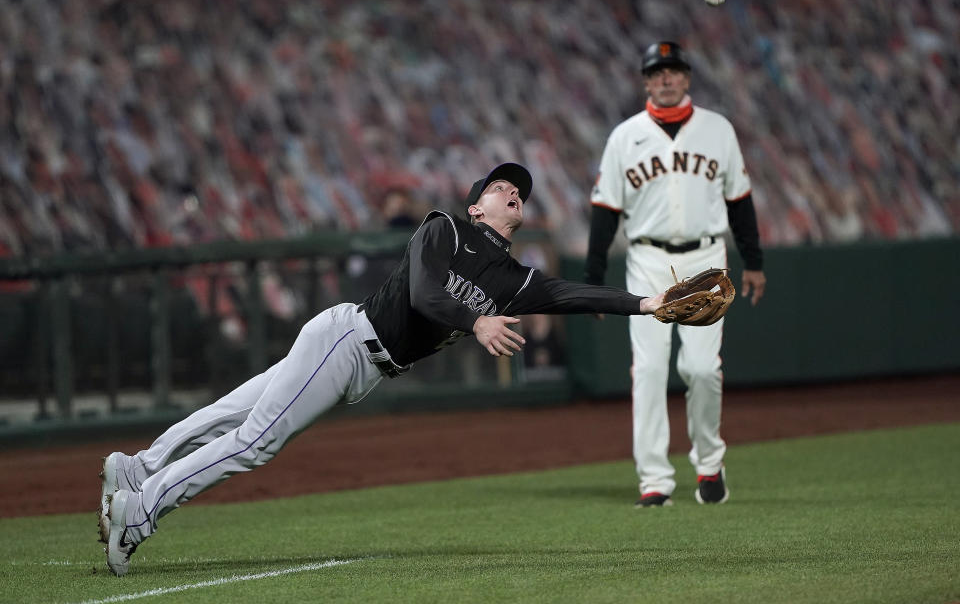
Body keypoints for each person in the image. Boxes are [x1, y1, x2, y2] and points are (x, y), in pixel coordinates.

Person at [98, 162, 671, 576]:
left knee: (235, 411)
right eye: (500, 186)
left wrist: (648, 304)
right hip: (347, 338)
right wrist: (476, 323)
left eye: (518, 190)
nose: (512, 191)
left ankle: (137, 468)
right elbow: (424, 293)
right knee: (255, 440)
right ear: (477, 206)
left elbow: (575, 293)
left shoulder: (517, 281)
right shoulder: (445, 227)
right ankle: (139, 512)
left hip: (361, 363)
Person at [584, 41, 766, 508]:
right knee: (647, 370)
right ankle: (655, 480)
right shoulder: (625, 136)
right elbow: (605, 212)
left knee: (702, 368)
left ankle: (709, 463)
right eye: (657, 72)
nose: (666, 78)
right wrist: (593, 277)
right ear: (646, 81)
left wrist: (755, 262)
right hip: (646, 260)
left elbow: (740, 202)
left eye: (673, 70)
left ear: (687, 78)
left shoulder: (717, 130)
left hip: (706, 259)